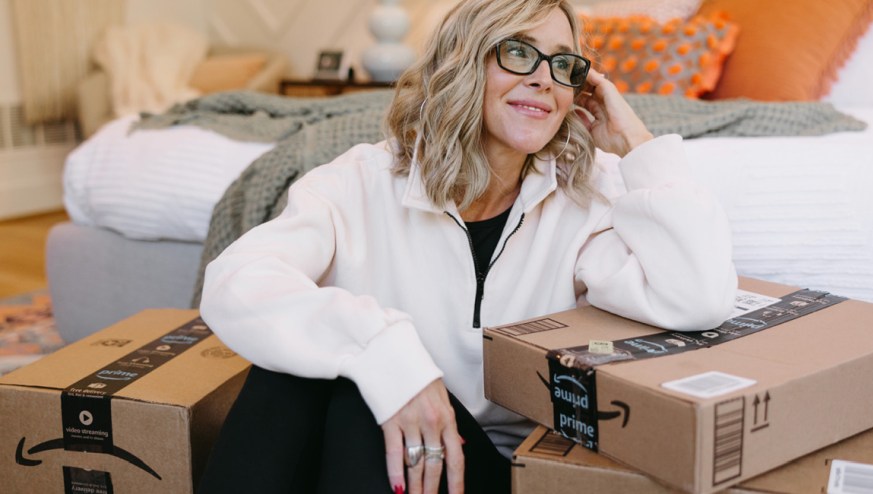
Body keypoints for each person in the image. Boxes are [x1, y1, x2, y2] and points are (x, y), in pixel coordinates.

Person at [197, 0, 738, 492]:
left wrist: (638, 147)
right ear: (462, 62)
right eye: (519, 52)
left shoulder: (585, 195)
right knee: (302, 376)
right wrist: (387, 358)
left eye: (564, 64)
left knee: (352, 402)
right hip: (376, 457)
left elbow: (699, 296)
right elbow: (235, 282)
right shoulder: (361, 182)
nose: (545, 80)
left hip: (494, 474)